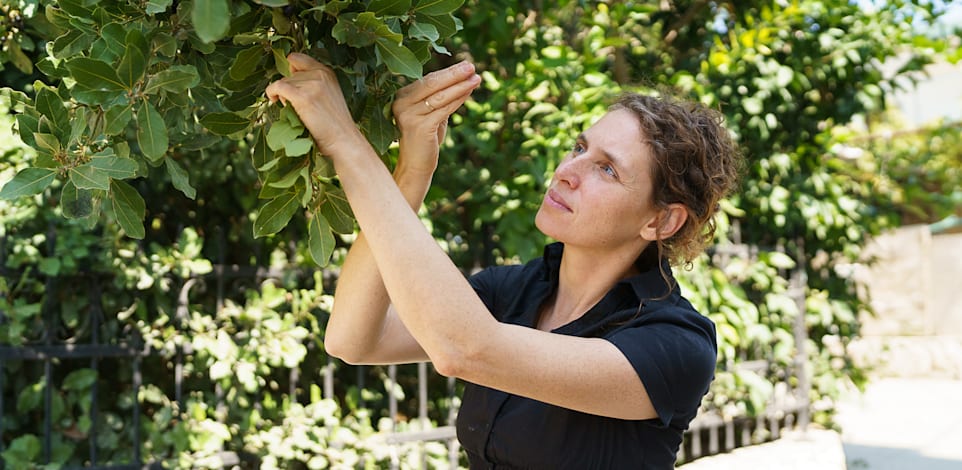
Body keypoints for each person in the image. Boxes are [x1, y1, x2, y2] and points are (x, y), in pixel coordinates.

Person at [266, 52, 742, 469]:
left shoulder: (675, 345)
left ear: (661, 222)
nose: (567, 172)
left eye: (607, 169)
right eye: (579, 148)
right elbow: (353, 340)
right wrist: (411, 172)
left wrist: (346, 142)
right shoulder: (512, 291)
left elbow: (466, 349)